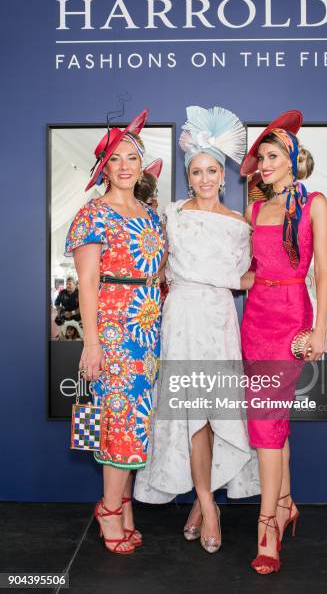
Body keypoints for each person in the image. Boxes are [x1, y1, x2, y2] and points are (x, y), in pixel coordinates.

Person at [135, 106, 259, 553]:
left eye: (212, 170)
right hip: (181, 318)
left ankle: (203, 502)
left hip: (220, 320)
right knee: (189, 416)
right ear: (189, 175)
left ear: (224, 175)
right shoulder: (170, 214)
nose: (205, 178)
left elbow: (246, 277)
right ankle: (208, 504)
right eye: (197, 171)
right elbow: (155, 265)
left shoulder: (239, 225)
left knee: (210, 414)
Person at [65, 109, 166, 554]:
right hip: (112, 327)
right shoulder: (93, 214)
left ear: (141, 164)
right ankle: (109, 510)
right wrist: (91, 343)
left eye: (132, 157)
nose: (124, 165)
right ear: (104, 167)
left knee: (137, 419)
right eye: (116, 159)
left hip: (148, 329)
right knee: (120, 419)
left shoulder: (149, 213)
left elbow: (160, 270)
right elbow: (88, 282)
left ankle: (122, 503)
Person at [240, 110, 327, 574]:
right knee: (273, 423)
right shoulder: (254, 208)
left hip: (293, 317)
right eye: (261, 158)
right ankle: (288, 501)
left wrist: (320, 330)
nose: (265, 164)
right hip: (255, 315)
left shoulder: (315, 202)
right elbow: (251, 270)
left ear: (292, 158)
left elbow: (321, 272)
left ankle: (268, 525)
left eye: (273, 156)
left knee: (266, 421)